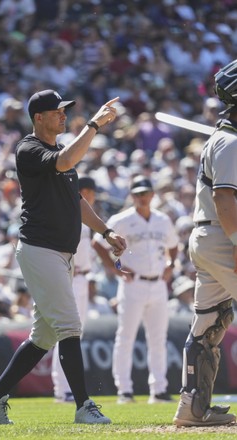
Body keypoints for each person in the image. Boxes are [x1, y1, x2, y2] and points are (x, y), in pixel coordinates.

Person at [0, 89, 126, 425]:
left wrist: (105, 231)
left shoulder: (57, 149)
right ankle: (84, 406)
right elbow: (67, 162)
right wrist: (95, 126)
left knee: (43, 337)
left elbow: (76, 201)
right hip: (40, 249)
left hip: (60, 253)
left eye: (64, 111)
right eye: (57, 111)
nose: (63, 116)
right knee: (70, 325)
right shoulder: (29, 148)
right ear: (38, 117)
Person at [173, 60, 237, 427]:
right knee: (211, 323)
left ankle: (192, 408)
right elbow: (226, 199)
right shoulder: (229, 142)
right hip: (223, 235)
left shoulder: (224, 139)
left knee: (210, 323)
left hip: (210, 236)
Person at [92, 175, 179, 404]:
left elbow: (173, 245)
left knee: (158, 338)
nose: (141, 197)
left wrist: (171, 264)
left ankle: (159, 390)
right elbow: (97, 243)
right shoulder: (122, 219)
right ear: (132, 196)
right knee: (126, 336)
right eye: (137, 193)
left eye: (145, 193)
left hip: (158, 283)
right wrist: (113, 268)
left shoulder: (162, 219)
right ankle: (124, 390)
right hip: (133, 284)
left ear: (152, 194)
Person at [51, 174, 97, 403]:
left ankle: (66, 387)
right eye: (83, 192)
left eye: (90, 192)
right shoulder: (67, 212)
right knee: (66, 332)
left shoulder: (89, 220)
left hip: (83, 278)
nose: (87, 196)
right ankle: (62, 387)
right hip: (69, 276)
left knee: (76, 332)